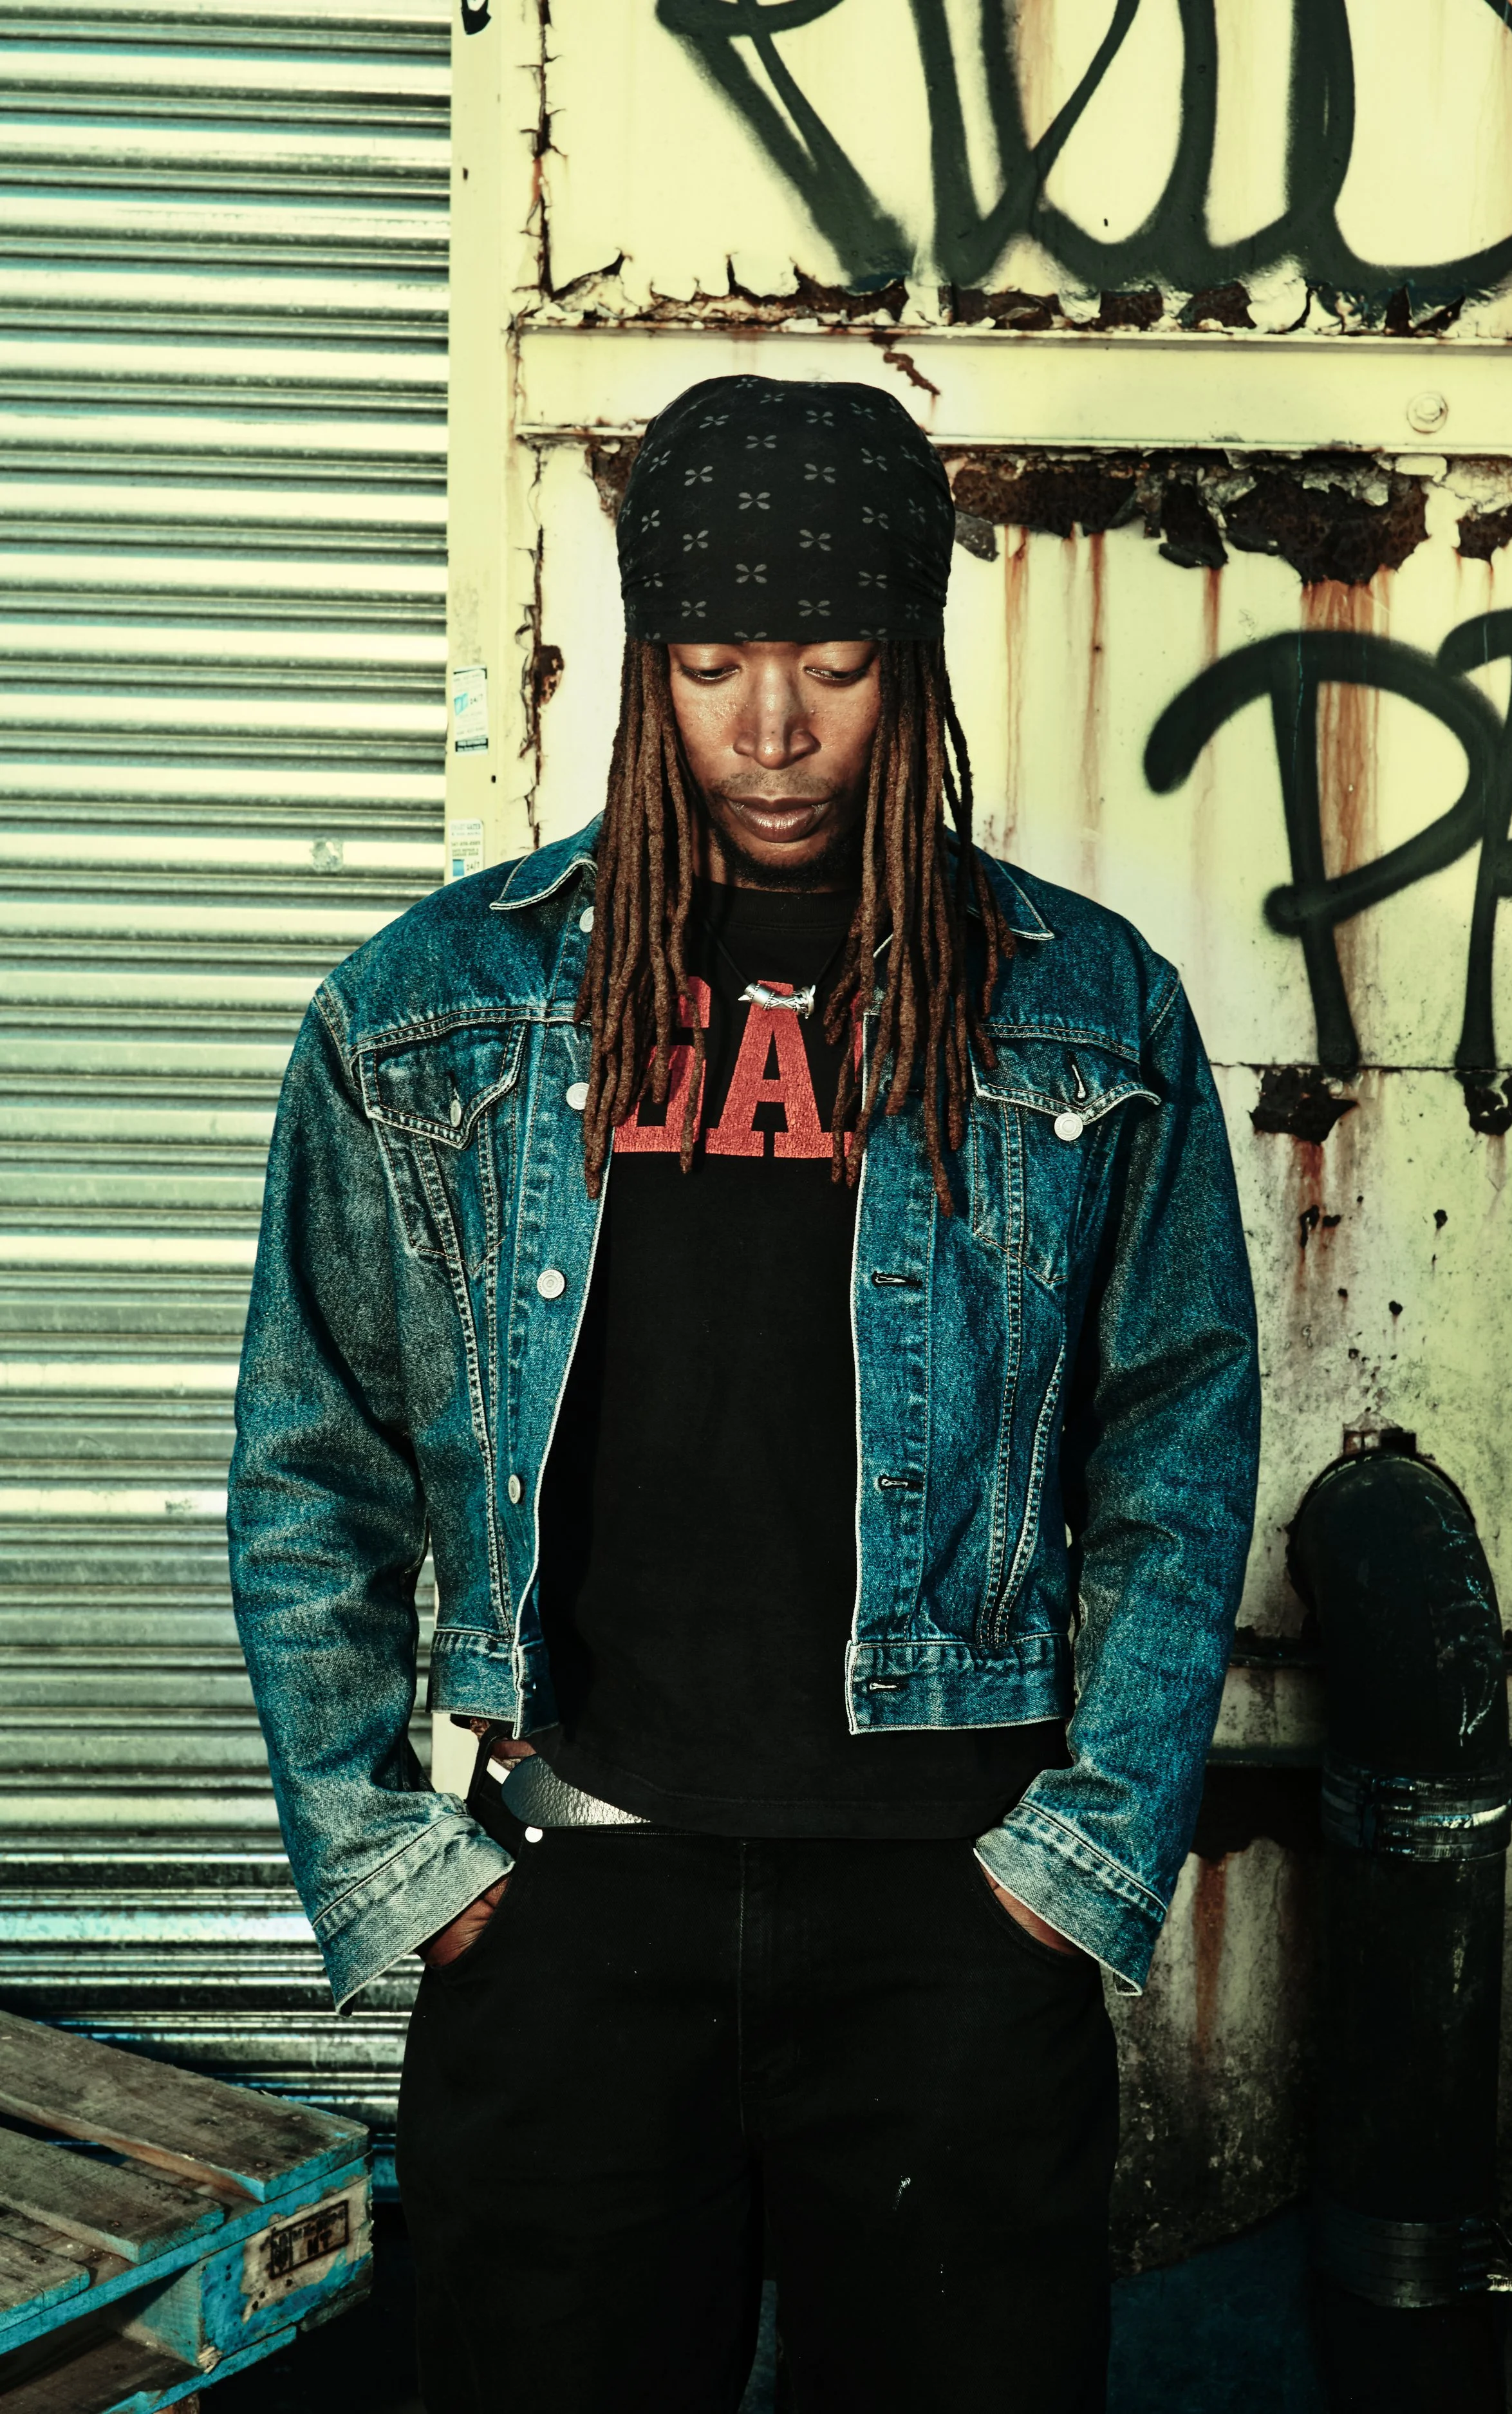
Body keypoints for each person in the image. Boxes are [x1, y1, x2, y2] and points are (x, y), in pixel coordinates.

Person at [229, 374, 1259, 2413]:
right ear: (646, 667)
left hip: (950, 1922)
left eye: (831, 660)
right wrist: (404, 1874)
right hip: (575, 1907)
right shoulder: (433, 1010)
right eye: (709, 662)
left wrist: (1070, 1872)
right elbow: (308, 1463)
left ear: (910, 659)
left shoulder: (1080, 1005)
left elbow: (1173, 1443)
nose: (770, 725)